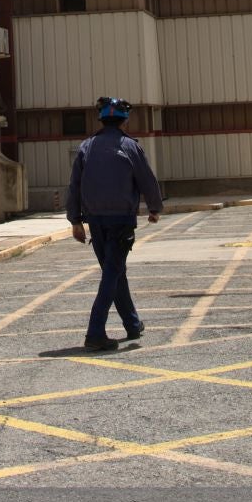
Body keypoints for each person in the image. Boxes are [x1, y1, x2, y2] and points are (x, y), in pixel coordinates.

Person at [65, 96, 164, 352]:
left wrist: (75, 221)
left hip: (95, 221)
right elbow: (147, 179)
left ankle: (132, 324)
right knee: (112, 274)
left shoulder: (86, 146)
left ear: (101, 118)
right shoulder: (130, 147)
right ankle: (95, 332)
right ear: (125, 120)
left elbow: (74, 185)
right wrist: (154, 209)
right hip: (120, 220)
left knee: (115, 271)